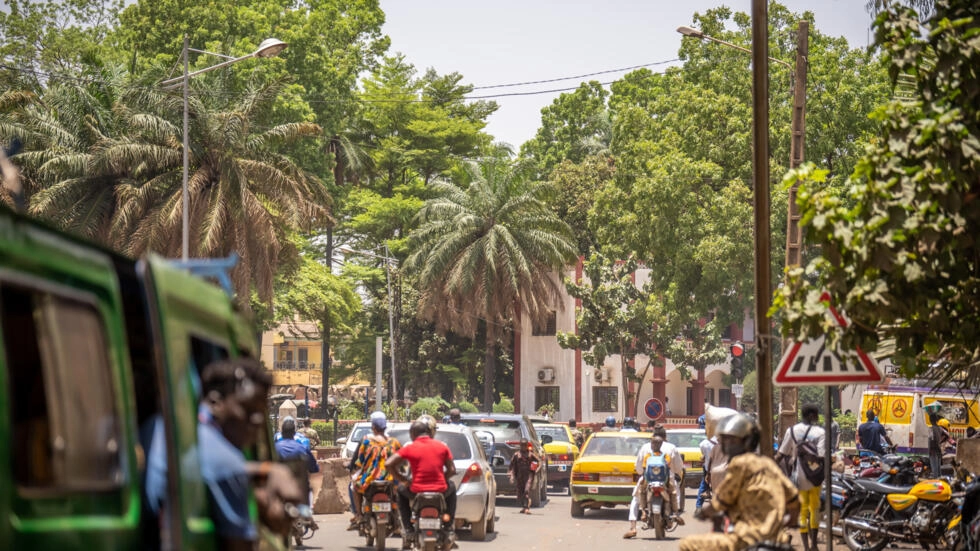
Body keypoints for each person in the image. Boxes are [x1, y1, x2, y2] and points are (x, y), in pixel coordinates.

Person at [144, 358, 303, 550]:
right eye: (248, 409)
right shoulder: (227, 463)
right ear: (215, 402)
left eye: (262, 411)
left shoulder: (158, 426)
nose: (258, 420)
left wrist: (265, 470)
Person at [679, 414, 800, 551]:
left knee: (687, 544)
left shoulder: (739, 463)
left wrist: (705, 512)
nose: (727, 445)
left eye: (732, 441)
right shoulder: (767, 464)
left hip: (746, 539)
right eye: (726, 440)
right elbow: (794, 498)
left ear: (747, 441)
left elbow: (722, 500)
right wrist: (793, 520)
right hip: (777, 540)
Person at [386, 419, 457, 551]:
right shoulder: (442, 446)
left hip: (416, 490)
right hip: (440, 490)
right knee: (452, 487)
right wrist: (442, 478)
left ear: (413, 433)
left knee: (400, 491)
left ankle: (407, 528)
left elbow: (388, 464)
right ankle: (448, 528)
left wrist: (403, 480)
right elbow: (452, 470)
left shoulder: (410, 447)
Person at [775, 403, 826, 551]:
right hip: (815, 476)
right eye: (816, 415)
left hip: (799, 476)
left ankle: (805, 546)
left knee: (803, 510)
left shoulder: (792, 430)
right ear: (811, 415)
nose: (817, 417)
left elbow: (781, 453)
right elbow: (822, 455)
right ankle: (814, 545)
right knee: (814, 508)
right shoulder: (820, 432)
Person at [624, 426, 684, 538]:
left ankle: (633, 527)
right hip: (666, 480)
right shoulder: (671, 448)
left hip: (648, 479)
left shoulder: (645, 448)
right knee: (675, 493)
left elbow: (639, 469)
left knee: (636, 499)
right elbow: (678, 468)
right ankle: (675, 514)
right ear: (665, 437)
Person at [350, 412, 402, 528]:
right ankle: (399, 517)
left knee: (354, 487)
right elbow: (401, 461)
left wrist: (357, 470)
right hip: (390, 479)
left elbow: (360, 461)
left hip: (370, 479)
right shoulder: (394, 442)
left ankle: (358, 514)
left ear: (373, 427)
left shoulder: (366, 441)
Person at [508, 438, 540, 514]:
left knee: (526, 490)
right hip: (519, 476)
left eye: (525, 445)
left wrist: (537, 469)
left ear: (527, 446)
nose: (523, 447)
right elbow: (511, 466)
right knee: (520, 493)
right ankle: (524, 506)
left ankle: (527, 508)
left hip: (529, 476)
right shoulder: (516, 455)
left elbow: (539, 462)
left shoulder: (530, 455)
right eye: (522, 445)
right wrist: (511, 476)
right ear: (520, 446)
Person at [695, 432, 717, 516]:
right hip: (721, 469)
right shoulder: (723, 443)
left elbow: (704, 455)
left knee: (703, 485)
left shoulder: (703, 443)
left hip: (708, 469)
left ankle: (698, 507)